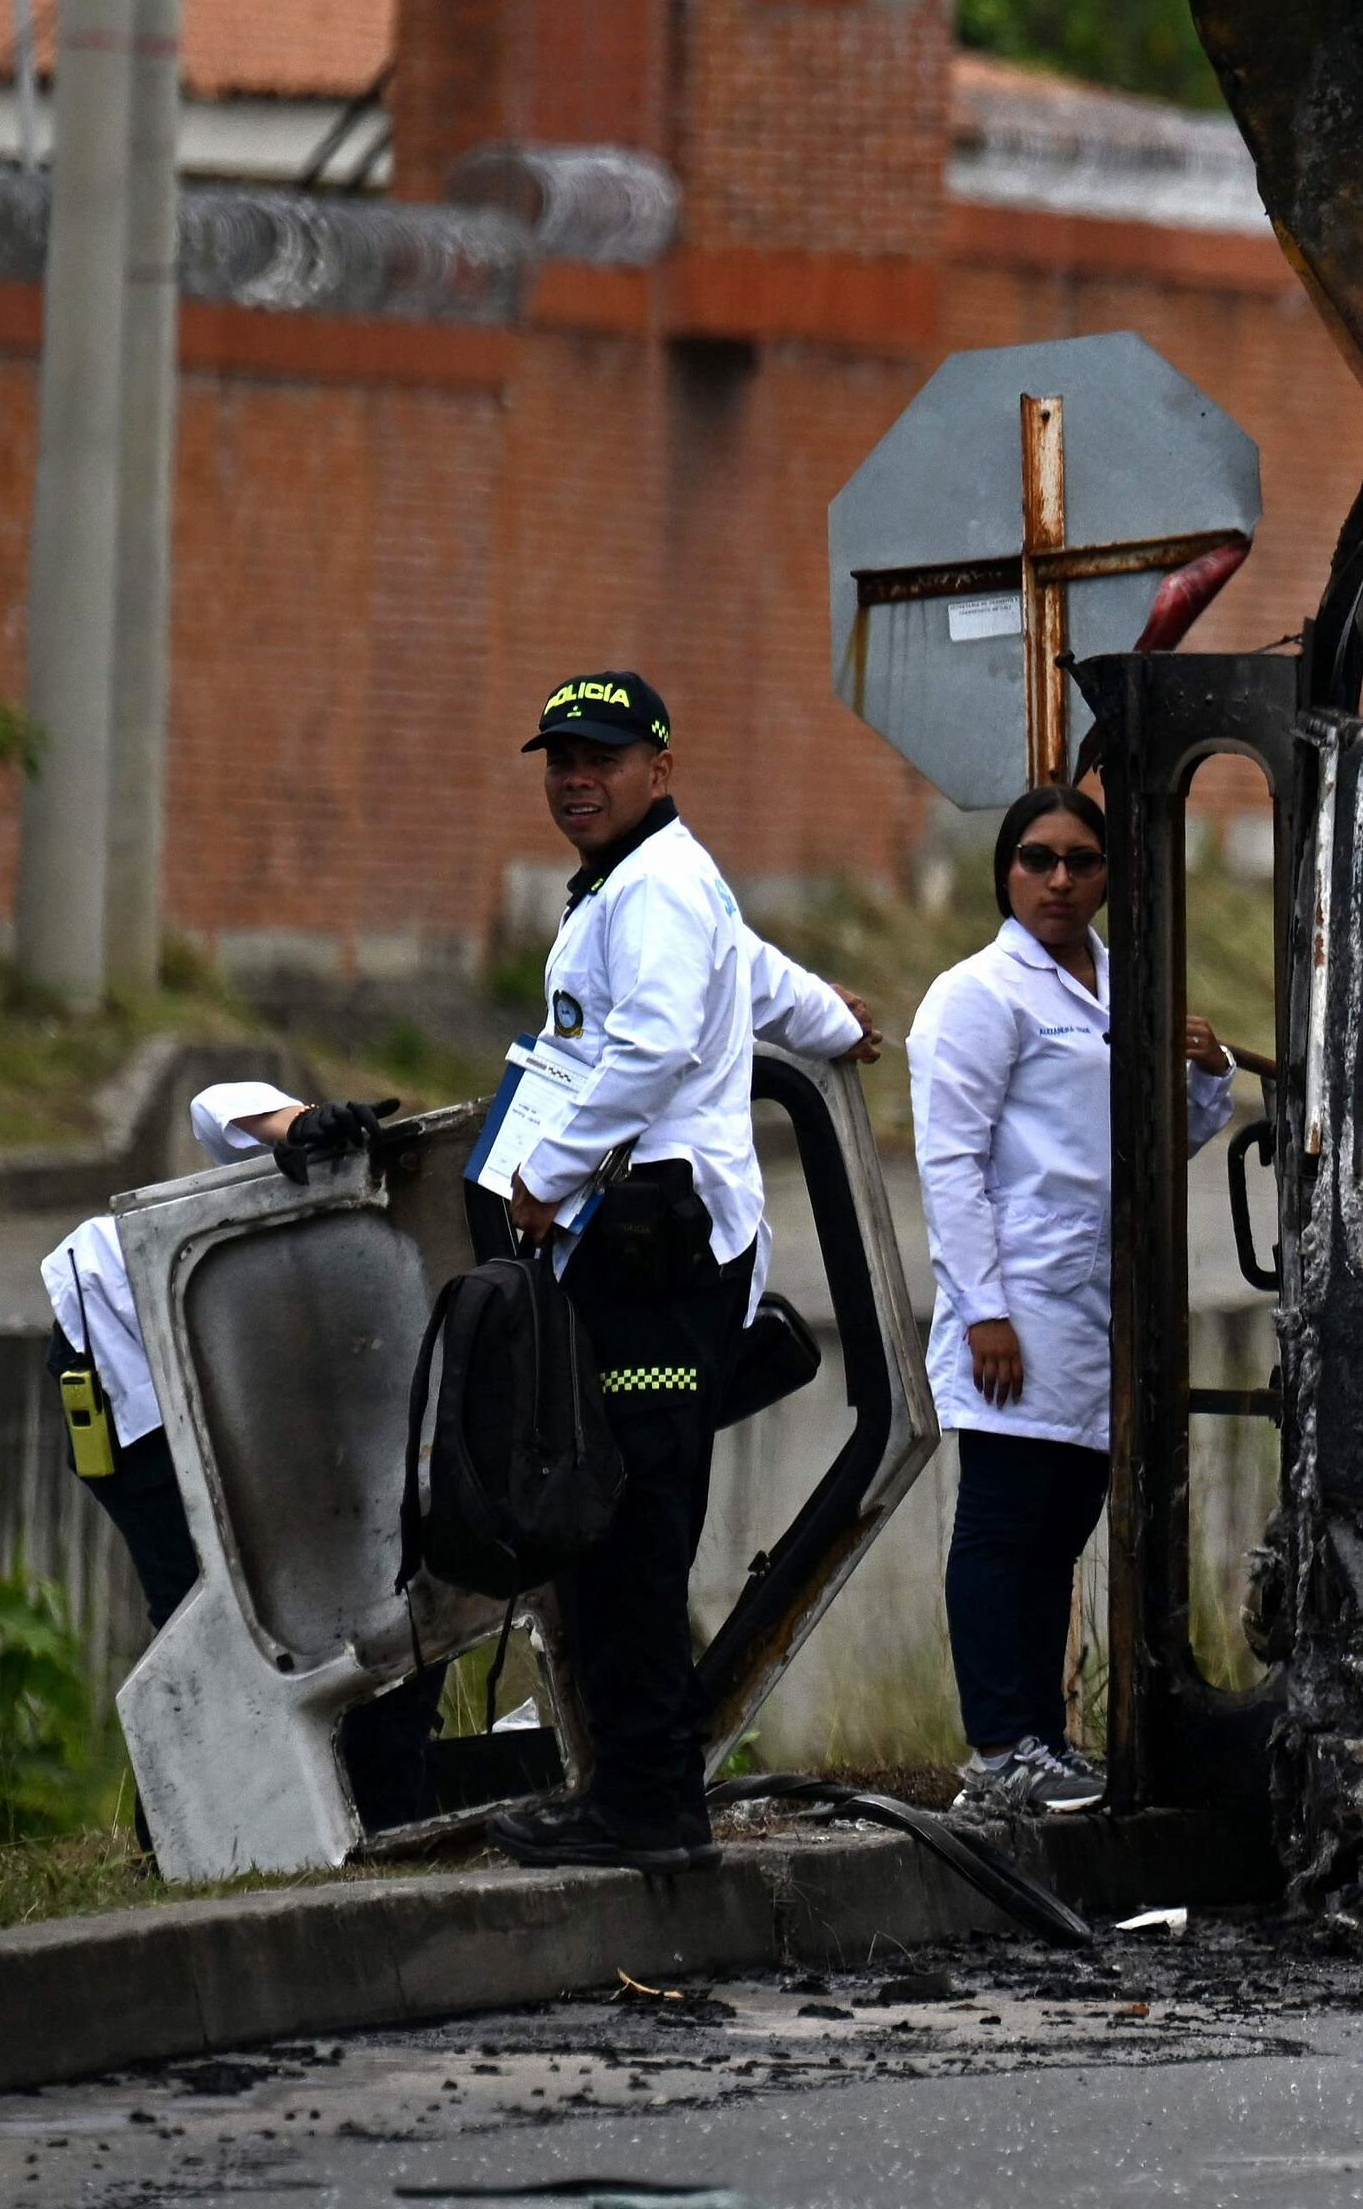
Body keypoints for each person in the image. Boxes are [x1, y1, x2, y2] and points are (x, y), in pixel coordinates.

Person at [486, 671, 879, 1874]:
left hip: (656, 1256)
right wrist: (837, 1023)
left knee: (633, 1538)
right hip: (646, 1250)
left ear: (659, 769)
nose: (576, 780)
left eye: (601, 759)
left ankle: (650, 1809)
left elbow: (655, 1042)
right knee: (620, 1528)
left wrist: (546, 1172)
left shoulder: (654, 886)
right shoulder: (651, 881)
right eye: (561, 761)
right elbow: (752, 977)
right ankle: (634, 1793)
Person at [910, 783, 1233, 1815]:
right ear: (1004, 872)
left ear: (1108, 878)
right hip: (1018, 1305)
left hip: (1099, 1307)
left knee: (1059, 1532)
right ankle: (997, 1748)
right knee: (1003, 1524)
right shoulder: (978, 995)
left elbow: (1157, 1139)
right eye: (1037, 859)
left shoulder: (1124, 986)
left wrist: (1207, 1071)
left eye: (1081, 862)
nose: (1058, 879)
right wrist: (984, 1313)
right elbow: (950, 1165)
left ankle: (1042, 1745)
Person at [43, 1082, 446, 1834]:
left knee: (386, 1587)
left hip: (248, 1385)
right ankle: (184, 1846)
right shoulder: (393, 1198)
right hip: (126, 1342)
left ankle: (370, 1813)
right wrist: (298, 1122)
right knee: (205, 1612)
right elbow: (214, 1105)